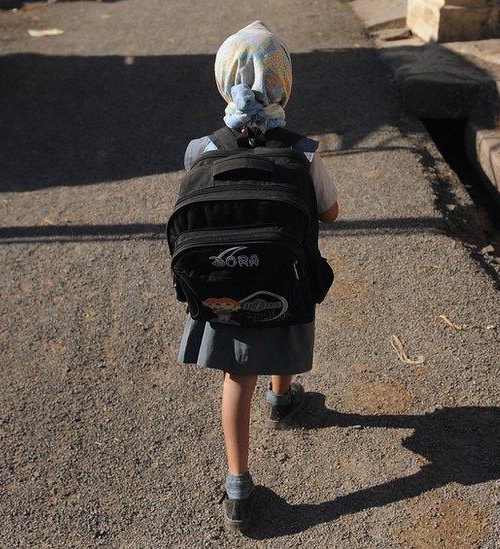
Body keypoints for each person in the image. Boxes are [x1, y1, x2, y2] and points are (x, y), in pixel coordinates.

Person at [177, 20, 340, 533]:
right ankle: (282, 397)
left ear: (225, 81)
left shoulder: (200, 150)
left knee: (235, 376)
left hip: (222, 290)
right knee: (283, 308)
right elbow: (330, 213)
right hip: (285, 286)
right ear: (283, 83)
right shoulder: (304, 151)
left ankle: (238, 482)